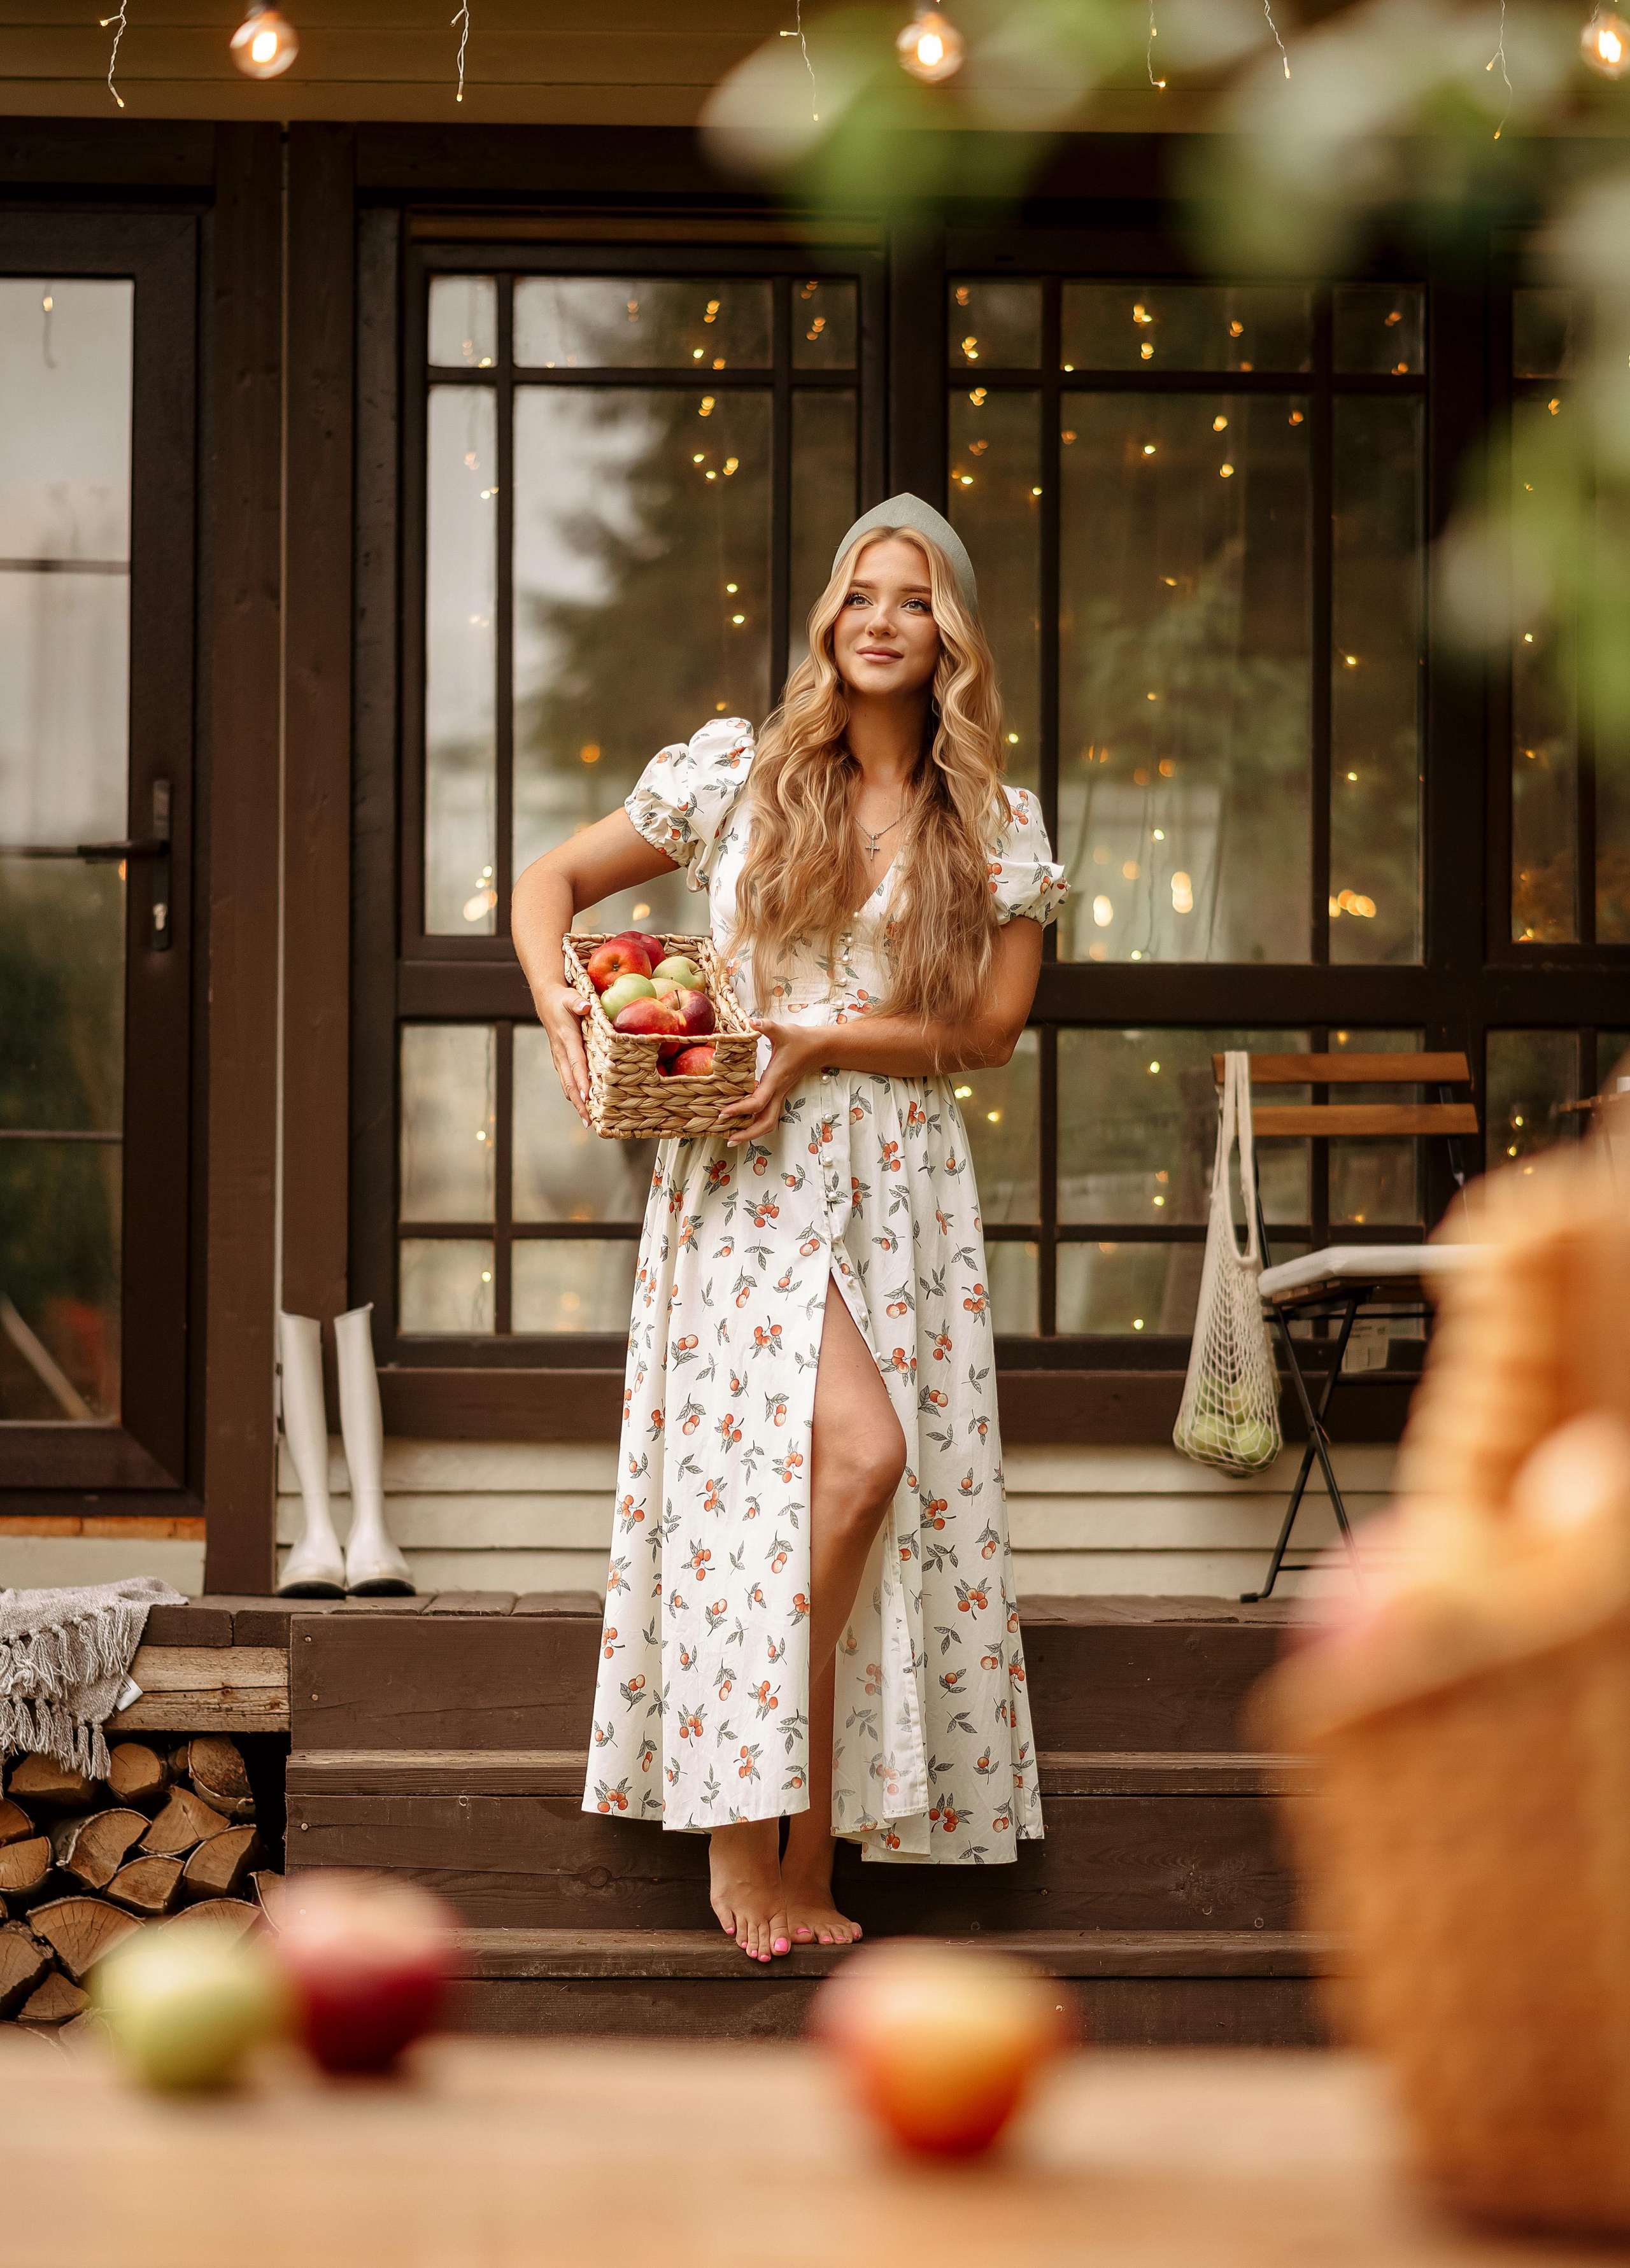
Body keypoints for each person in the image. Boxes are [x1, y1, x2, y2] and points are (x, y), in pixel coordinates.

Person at [512, 495, 1068, 1964]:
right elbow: (546, 886)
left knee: (864, 1495)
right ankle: (739, 1826)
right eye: (857, 595)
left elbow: (994, 1030)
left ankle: (800, 1829)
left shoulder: (996, 821)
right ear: (827, 620)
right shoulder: (739, 776)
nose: (879, 619)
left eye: (912, 599)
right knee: (851, 1459)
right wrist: (567, 1009)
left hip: (899, 1177)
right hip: (745, 1167)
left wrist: (820, 1042)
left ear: (949, 633)